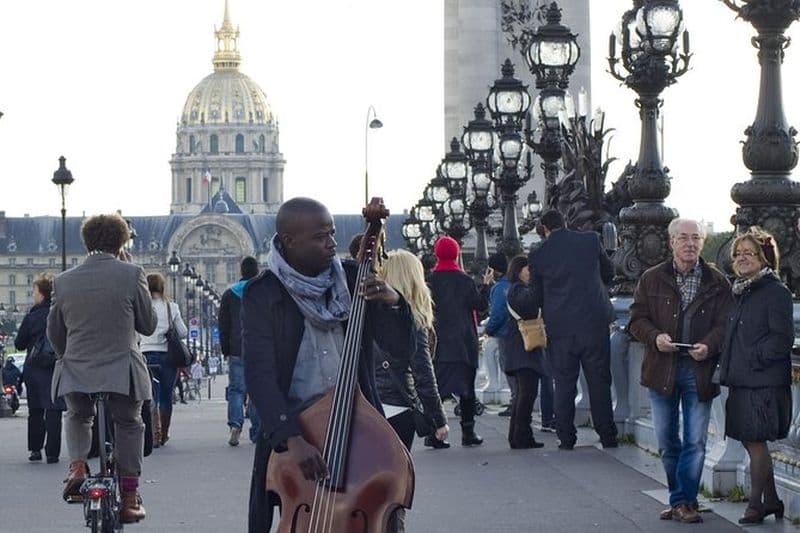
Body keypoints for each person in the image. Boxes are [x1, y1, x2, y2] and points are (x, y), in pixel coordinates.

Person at [241, 197, 415, 532]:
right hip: (294, 430)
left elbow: (399, 349)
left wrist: (393, 303)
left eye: (333, 233)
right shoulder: (262, 293)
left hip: (358, 426)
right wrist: (291, 440)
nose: (332, 243)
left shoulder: (353, 279)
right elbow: (259, 375)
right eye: (321, 237)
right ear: (290, 241)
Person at [47, 213, 156, 523]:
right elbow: (148, 326)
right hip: (122, 369)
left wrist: (67, 358)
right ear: (121, 241)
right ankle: (130, 496)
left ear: (87, 241)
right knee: (129, 423)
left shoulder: (64, 281)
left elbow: (55, 332)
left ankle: (78, 465)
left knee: (79, 415)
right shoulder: (132, 273)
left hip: (78, 369)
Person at [629, 218, 733, 524]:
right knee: (666, 440)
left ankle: (684, 501)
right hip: (661, 369)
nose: (690, 243)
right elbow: (636, 320)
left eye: (696, 238)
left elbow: (725, 325)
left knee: (696, 441)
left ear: (702, 242)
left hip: (698, 370)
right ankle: (680, 501)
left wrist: (709, 346)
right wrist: (654, 337)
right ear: (671, 242)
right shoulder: (651, 278)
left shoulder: (717, 282)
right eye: (683, 238)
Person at [718, 228, 792, 525]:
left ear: (764, 258)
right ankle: (772, 500)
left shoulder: (776, 292)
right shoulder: (742, 291)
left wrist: (754, 357)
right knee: (751, 442)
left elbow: (782, 338)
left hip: (763, 381)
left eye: (749, 253)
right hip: (741, 378)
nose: (742, 258)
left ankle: (755, 504)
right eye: (738, 254)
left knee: (756, 441)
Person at [528, 210, 617, 450]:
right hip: (594, 322)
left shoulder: (538, 254)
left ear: (545, 228)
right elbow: (609, 273)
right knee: (599, 380)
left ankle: (566, 437)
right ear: (564, 222)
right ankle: (607, 434)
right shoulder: (589, 240)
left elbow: (535, 297)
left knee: (564, 382)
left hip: (560, 328)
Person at [375, 249, 449, 450]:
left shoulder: (370, 317)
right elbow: (423, 373)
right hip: (397, 407)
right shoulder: (412, 321)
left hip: (367, 407)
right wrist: (438, 419)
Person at [427, 236, 491, 448]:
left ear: (437, 253)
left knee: (438, 389)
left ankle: (434, 434)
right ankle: (468, 432)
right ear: (456, 253)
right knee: (466, 390)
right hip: (463, 343)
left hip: (438, 344)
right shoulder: (464, 280)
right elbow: (480, 306)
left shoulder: (430, 281)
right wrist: (486, 286)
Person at [503, 255, 552, 449]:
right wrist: (539, 283)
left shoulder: (515, 289)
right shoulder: (518, 290)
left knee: (523, 394)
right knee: (527, 394)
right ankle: (522, 435)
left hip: (519, 350)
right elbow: (530, 306)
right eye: (527, 269)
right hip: (523, 350)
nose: (530, 272)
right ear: (518, 270)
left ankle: (517, 435)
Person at [15, 273, 65, 463]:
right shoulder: (59, 314)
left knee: (35, 410)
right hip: (54, 366)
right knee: (54, 409)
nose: (33, 295)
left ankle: (35, 449)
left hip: (34, 367)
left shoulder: (32, 316)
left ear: (41, 293)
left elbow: (19, 343)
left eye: (34, 291)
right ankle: (53, 452)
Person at [139, 272, 188, 447]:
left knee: (150, 396)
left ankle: (153, 434)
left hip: (145, 354)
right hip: (168, 356)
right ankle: (164, 434)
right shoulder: (171, 307)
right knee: (167, 396)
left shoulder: (142, 307)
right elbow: (183, 332)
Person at [219, 255, 261, 446]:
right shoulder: (263, 291)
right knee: (257, 390)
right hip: (260, 347)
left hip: (237, 347)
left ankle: (235, 424)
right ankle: (257, 430)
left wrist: (225, 349)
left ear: (241, 272)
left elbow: (223, 325)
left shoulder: (229, 294)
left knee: (236, 389)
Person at [483, 252, 514, 417]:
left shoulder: (499, 288)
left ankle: (514, 402)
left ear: (493, 270)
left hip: (503, 334)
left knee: (508, 369)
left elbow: (496, 315)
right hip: (516, 332)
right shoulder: (512, 284)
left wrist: (488, 331)